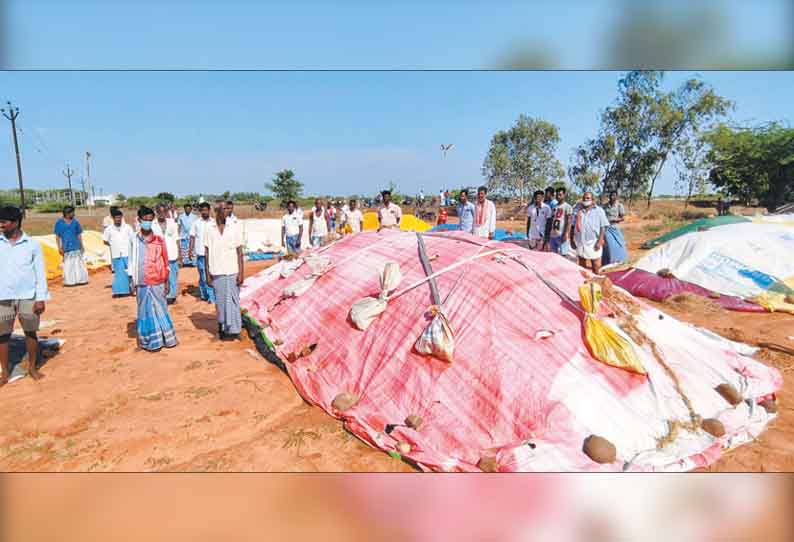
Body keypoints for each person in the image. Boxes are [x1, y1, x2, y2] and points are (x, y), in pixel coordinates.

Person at [0, 205, 49, 384]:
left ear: (15, 223)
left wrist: (41, 298)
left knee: (30, 332)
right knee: (3, 335)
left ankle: (32, 368)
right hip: (3, 296)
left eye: (4, 222)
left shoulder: (32, 244)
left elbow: (40, 272)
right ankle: (5, 372)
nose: (1, 224)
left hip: (28, 296)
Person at [128, 206, 177, 352]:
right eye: (145, 220)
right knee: (144, 311)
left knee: (161, 308)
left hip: (158, 280)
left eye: (150, 220)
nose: (147, 223)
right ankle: (149, 341)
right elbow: (131, 260)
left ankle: (167, 339)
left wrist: (167, 280)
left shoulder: (158, 240)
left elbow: (165, 260)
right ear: (139, 220)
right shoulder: (134, 240)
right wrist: (132, 280)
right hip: (142, 281)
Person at [204, 206, 245, 340]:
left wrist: (241, 272)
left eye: (228, 209)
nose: (227, 211)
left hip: (232, 270)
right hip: (217, 271)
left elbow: (239, 252)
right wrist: (207, 274)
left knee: (234, 301)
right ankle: (222, 329)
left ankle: (235, 330)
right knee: (220, 302)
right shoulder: (209, 228)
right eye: (223, 209)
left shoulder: (234, 227)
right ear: (217, 211)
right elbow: (206, 253)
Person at [572, 191, 610, 274]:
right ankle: (585, 284)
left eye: (588, 198)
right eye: (584, 198)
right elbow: (572, 225)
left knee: (596, 266)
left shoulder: (599, 211)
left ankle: (598, 282)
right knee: (582, 264)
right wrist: (572, 240)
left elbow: (603, 227)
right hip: (580, 242)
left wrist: (600, 241)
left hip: (593, 242)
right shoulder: (578, 211)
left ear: (593, 200)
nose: (585, 200)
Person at [102, 207, 135, 297]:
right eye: (116, 218)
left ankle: (131, 289)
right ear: (113, 218)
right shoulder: (109, 229)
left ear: (122, 217)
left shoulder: (128, 227)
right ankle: (119, 292)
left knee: (129, 272)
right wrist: (113, 245)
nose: (118, 219)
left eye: (119, 217)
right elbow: (105, 240)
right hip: (116, 254)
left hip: (127, 253)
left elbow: (133, 239)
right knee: (119, 273)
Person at [54, 206, 88, 287]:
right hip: (66, 247)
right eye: (72, 212)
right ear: (67, 213)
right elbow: (57, 236)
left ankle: (81, 280)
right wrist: (59, 247)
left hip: (76, 246)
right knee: (68, 265)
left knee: (78, 264)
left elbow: (79, 234)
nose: (74, 214)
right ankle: (69, 282)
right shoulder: (59, 223)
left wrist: (81, 245)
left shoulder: (75, 222)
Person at [153, 204, 180, 304]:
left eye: (164, 212)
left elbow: (177, 239)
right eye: (160, 212)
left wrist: (180, 255)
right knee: (161, 276)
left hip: (172, 253)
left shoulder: (172, 223)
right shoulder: (152, 225)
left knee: (172, 275)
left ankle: (172, 296)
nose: (162, 214)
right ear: (156, 212)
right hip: (158, 255)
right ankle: (162, 295)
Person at [189, 202, 216, 303]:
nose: (204, 212)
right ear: (200, 211)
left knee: (211, 274)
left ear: (209, 210)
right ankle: (204, 294)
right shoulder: (196, 223)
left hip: (212, 253)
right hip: (200, 253)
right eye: (202, 210)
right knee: (203, 275)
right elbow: (192, 236)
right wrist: (190, 250)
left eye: (206, 210)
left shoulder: (214, 222)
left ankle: (211, 296)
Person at [600, 191, 628, 266]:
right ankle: (607, 262)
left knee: (619, 243)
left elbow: (623, 218)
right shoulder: (605, 206)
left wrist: (614, 220)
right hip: (606, 228)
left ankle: (620, 260)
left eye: (614, 196)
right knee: (608, 245)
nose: (612, 197)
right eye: (611, 195)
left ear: (617, 197)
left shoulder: (619, 205)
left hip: (615, 227)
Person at [548, 187, 574, 257]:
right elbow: (552, 219)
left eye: (560, 195)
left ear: (564, 195)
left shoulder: (568, 207)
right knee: (553, 254)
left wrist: (566, 233)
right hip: (553, 234)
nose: (558, 196)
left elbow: (569, 221)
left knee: (563, 255)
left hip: (561, 234)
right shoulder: (555, 207)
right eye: (557, 195)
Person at [177, 202, 197, 267]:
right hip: (183, 236)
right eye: (186, 209)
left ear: (191, 209)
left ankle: (193, 263)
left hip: (192, 236)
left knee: (192, 249)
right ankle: (184, 263)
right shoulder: (181, 216)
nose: (187, 210)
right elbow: (179, 226)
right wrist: (178, 235)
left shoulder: (195, 217)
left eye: (189, 209)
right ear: (184, 209)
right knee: (184, 250)